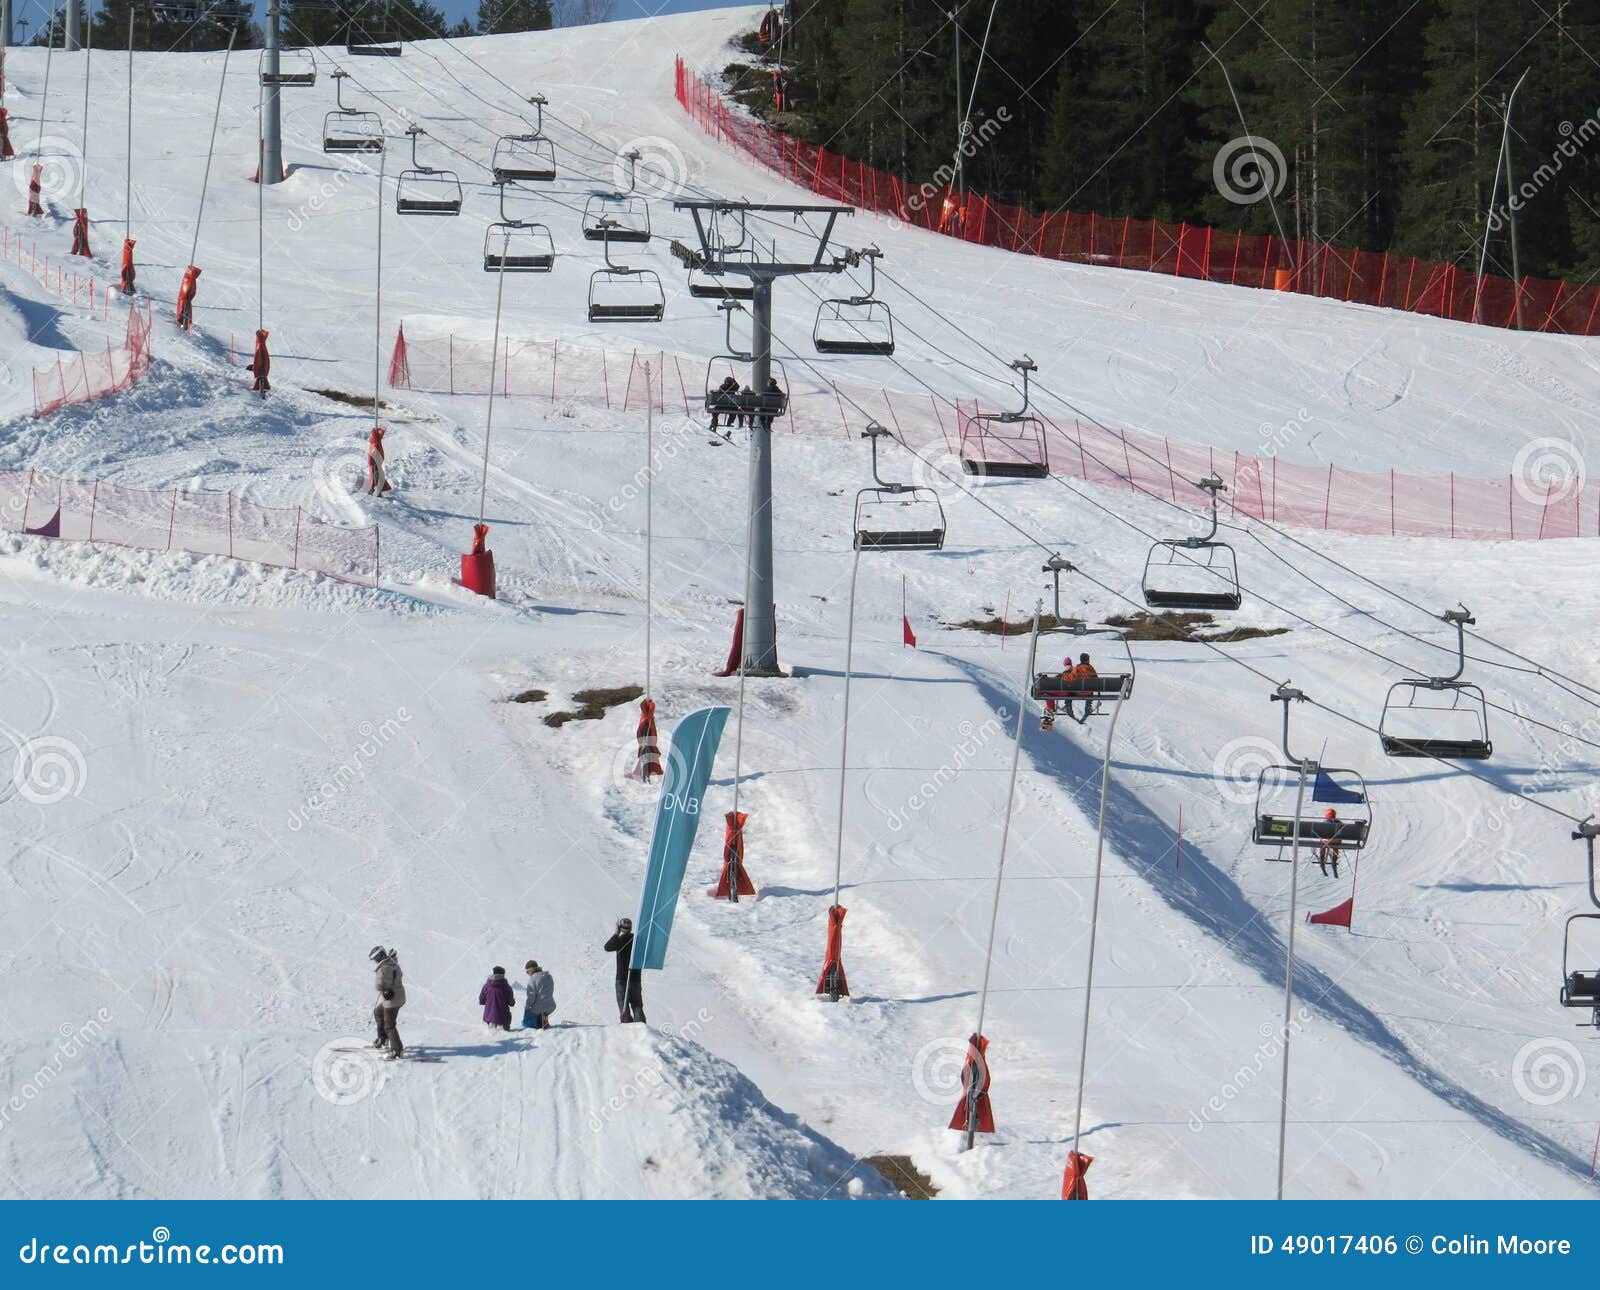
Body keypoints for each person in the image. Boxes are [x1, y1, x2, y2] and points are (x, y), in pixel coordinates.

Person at [604, 917, 645, 1024]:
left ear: (621, 928)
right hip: (635, 978)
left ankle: (627, 1026)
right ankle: (641, 1026)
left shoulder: (620, 940)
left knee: (623, 1002)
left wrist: (616, 933)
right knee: (637, 1004)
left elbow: (607, 947)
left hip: (622, 978)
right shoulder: (638, 940)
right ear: (630, 928)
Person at [370, 945, 405, 1060]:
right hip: (399, 997)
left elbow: (378, 985)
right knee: (378, 1012)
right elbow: (397, 972)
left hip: (392, 1000)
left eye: (375, 959)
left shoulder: (383, 968)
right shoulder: (392, 962)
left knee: (389, 1025)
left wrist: (384, 988)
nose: (375, 961)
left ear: (379, 957)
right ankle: (383, 1038)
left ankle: (397, 1050)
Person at [522, 960, 556, 1030]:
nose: (527, 973)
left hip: (540, 1007)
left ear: (531, 969)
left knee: (526, 1021)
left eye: (527, 971)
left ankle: (538, 1024)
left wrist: (527, 1007)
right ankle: (544, 1022)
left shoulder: (533, 979)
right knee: (543, 1009)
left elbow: (531, 996)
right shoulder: (548, 976)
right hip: (550, 1004)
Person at [479, 966, 515, 1031]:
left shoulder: (487, 985)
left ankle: (492, 1026)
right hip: (503, 1018)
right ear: (503, 974)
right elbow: (511, 1003)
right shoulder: (506, 986)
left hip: (489, 1017)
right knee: (504, 1032)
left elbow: (481, 999)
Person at [1316, 807, 1342, 877]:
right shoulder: (1339, 823)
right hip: (1336, 842)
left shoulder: (1324, 823)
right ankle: (1334, 860)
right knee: (1336, 844)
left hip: (1326, 842)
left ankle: (1322, 858)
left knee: (1323, 842)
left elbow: (1320, 833)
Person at [366, 426, 392, 496]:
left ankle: (376, 489)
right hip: (374, 459)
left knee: (376, 473)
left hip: (375, 459)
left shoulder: (375, 442)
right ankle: (376, 489)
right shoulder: (375, 441)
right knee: (376, 473)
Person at [175, 265, 201, 332]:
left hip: (189, 277)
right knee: (185, 298)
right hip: (189, 277)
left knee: (185, 298)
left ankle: (183, 321)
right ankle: (183, 321)